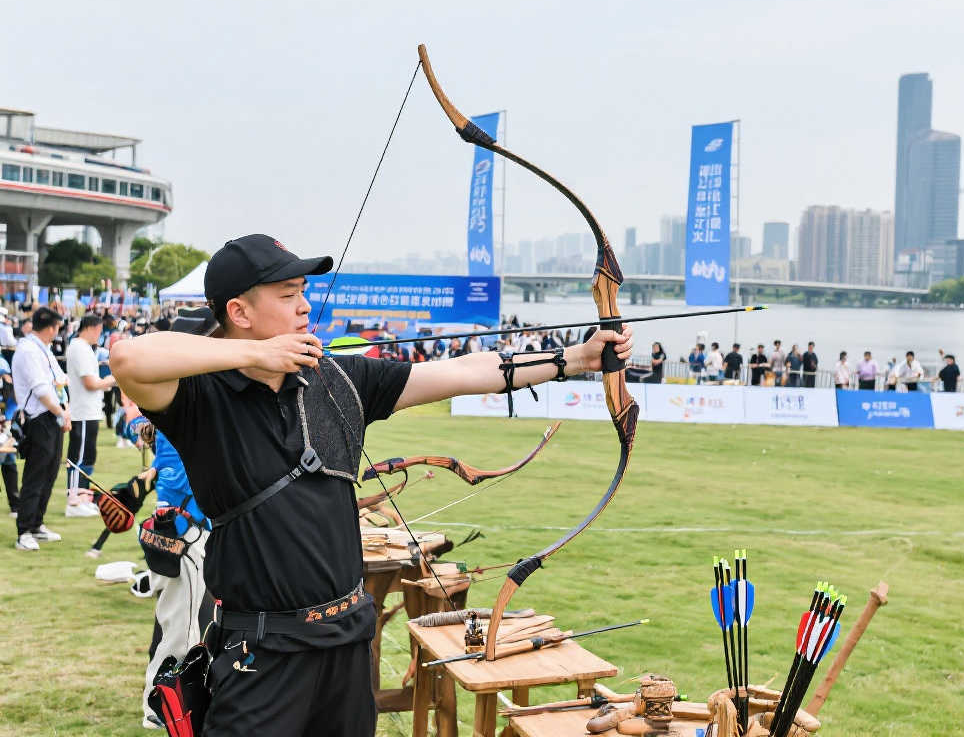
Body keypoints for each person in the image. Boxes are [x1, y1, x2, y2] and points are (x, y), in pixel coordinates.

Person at [111, 234, 634, 736]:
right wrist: (255, 356)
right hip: (260, 654)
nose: (302, 307)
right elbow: (128, 359)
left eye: (304, 294)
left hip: (346, 645)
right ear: (239, 313)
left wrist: (575, 360)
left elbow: (460, 372)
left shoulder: (338, 380)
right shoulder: (200, 398)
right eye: (288, 295)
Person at [140, 415, 213, 731]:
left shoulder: (174, 421)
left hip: (179, 530)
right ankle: (161, 708)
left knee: (177, 627)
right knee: (181, 634)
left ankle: (164, 705)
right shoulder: (188, 424)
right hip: (186, 534)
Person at [11, 307, 71, 551]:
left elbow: (59, 381)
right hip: (39, 418)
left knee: (49, 473)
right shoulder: (27, 350)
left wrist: (63, 411)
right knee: (35, 476)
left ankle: (37, 523)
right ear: (51, 328)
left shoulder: (42, 349)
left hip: (53, 417)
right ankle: (24, 530)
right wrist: (61, 412)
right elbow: (41, 389)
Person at [65, 314, 117, 517]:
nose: (100, 335)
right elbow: (90, 383)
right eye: (99, 330)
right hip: (83, 411)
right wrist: (113, 380)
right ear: (91, 328)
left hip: (88, 410)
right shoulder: (79, 348)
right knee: (80, 458)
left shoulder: (82, 348)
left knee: (87, 456)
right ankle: (74, 502)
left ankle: (82, 497)